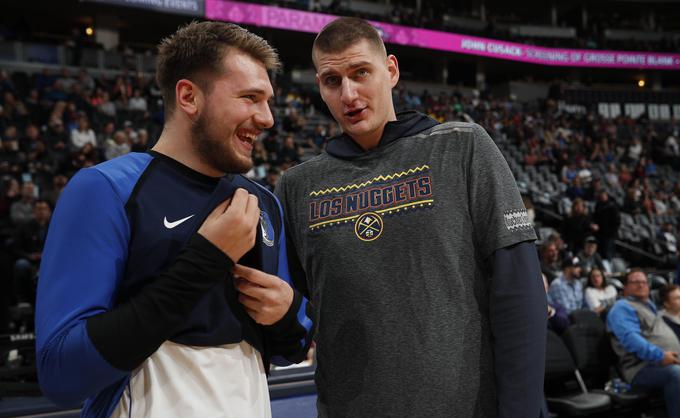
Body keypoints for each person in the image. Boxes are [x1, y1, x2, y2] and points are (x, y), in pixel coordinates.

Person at [35, 21, 312, 418]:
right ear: (188, 97)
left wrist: (287, 313)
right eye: (250, 97)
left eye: (268, 100)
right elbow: (62, 374)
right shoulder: (105, 189)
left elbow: (293, 347)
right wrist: (205, 260)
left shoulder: (262, 203)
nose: (268, 118)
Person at [275, 17, 546, 417]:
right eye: (332, 81)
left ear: (391, 70)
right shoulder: (297, 186)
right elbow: (292, 319)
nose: (349, 93)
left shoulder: (463, 147)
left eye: (361, 72)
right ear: (320, 87)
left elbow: (519, 292)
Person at [607, 269, 680, 418]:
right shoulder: (622, 307)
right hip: (641, 368)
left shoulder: (650, 307)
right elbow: (630, 339)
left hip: (665, 362)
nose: (641, 285)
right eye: (635, 282)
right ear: (625, 287)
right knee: (676, 374)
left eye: (644, 282)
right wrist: (660, 356)